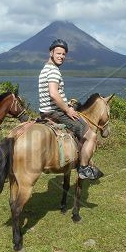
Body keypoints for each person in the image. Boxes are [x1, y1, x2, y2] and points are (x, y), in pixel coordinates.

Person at [38, 39, 99, 180]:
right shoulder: (53, 71)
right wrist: (67, 109)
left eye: (64, 54)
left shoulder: (45, 68)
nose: (61, 56)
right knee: (92, 136)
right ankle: (83, 168)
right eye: (58, 53)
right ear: (51, 53)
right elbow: (53, 93)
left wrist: (68, 104)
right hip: (57, 113)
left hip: (44, 111)